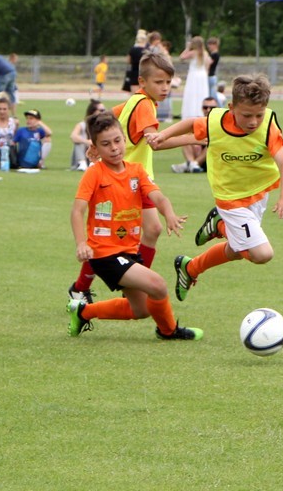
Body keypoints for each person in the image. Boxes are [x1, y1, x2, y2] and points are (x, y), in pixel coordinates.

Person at [146, 74, 283, 302]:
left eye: (259, 114)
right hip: (230, 199)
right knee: (261, 254)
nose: (254, 121)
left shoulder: (267, 128)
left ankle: (191, 268)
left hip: (258, 196)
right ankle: (220, 225)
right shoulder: (216, 123)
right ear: (231, 108)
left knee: (236, 251)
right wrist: (163, 135)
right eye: (247, 115)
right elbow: (190, 124)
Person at [67, 111, 200, 341]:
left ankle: (83, 312)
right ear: (95, 148)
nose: (114, 148)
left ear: (124, 140)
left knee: (141, 309)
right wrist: (81, 243)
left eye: (117, 141)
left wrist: (169, 213)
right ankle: (168, 331)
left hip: (128, 251)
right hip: (104, 254)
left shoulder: (136, 171)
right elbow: (77, 211)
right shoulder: (94, 173)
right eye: (106, 144)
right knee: (158, 285)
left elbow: (158, 197)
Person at [67, 50, 175, 305]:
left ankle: (90, 287)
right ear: (143, 82)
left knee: (148, 230)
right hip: (127, 178)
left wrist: (95, 142)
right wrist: (197, 137)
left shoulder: (135, 100)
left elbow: (101, 118)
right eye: (159, 82)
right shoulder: (145, 104)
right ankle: (125, 284)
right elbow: (155, 140)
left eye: (168, 82)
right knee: (116, 238)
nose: (165, 87)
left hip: (133, 177)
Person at [172, 96, 216, 173]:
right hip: (199, 154)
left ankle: (191, 165)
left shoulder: (220, 122)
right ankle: (192, 164)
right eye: (205, 107)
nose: (208, 110)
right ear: (202, 108)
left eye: (212, 108)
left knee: (212, 143)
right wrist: (195, 142)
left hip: (214, 159)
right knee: (185, 138)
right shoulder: (198, 122)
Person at [179, 36, 211, 120]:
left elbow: (181, 57)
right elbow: (208, 65)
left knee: (192, 93)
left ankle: (191, 112)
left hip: (194, 75)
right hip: (202, 75)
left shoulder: (193, 53)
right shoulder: (205, 53)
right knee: (201, 93)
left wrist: (187, 48)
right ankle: (200, 112)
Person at [70, 99, 108, 171]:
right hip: (85, 153)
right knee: (79, 141)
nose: (103, 113)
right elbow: (73, 136)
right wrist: (87, 142)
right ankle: (82, 164)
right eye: (101, 110)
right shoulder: (82, 125)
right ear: (93, 111)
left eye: (104, 110)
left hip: (99, 152)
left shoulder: (106, 126)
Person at [123, 29, 148, 93]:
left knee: (135, 93)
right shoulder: (147, 50)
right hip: (144, 72)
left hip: (134, 72)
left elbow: (128, 60)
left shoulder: (133, 49)